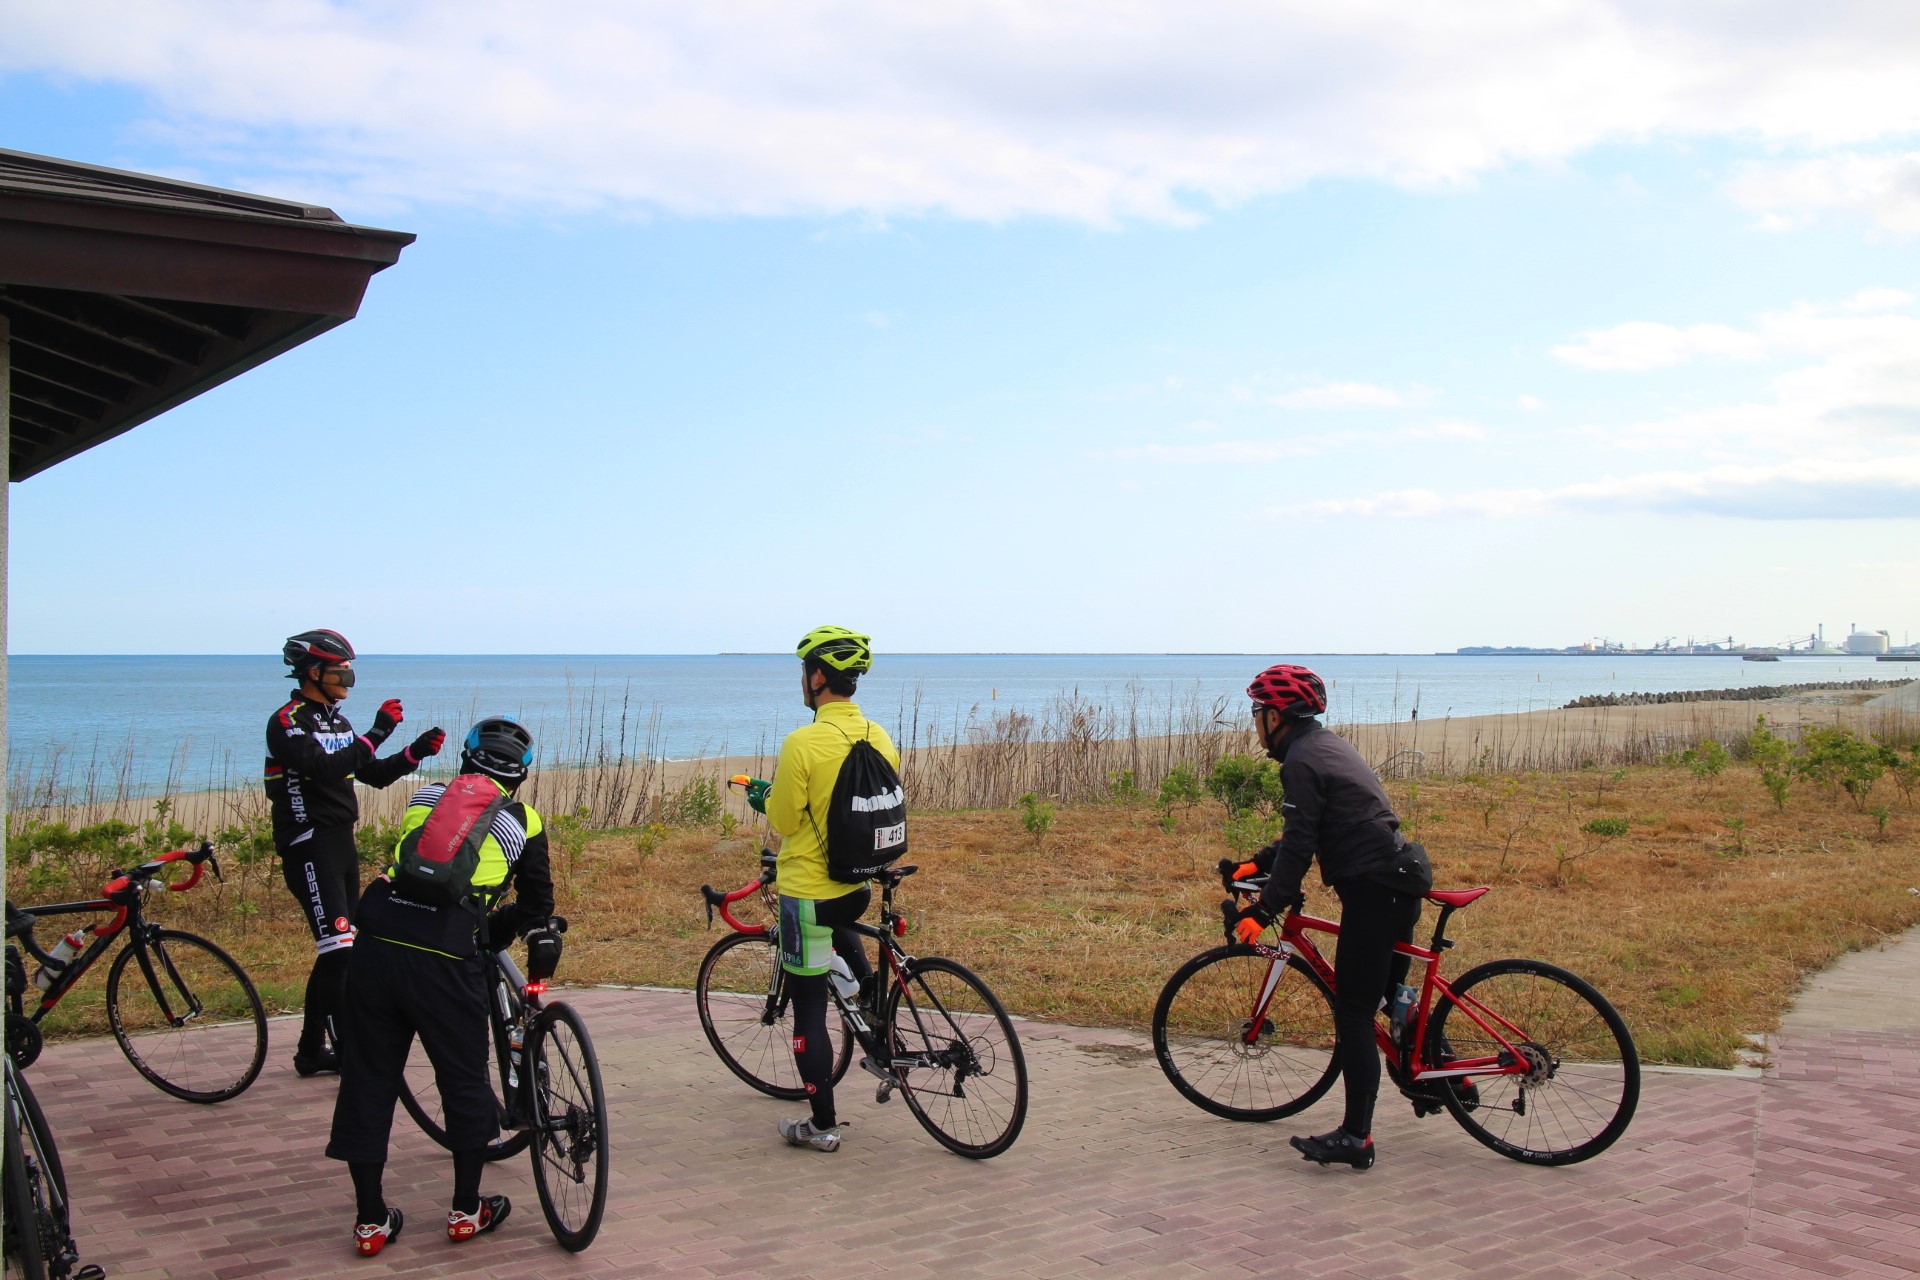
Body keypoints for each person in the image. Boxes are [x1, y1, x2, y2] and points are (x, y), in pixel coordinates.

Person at [325, 716, 559, 1257]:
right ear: (519, 777)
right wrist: (490, 933)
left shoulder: (426, 795)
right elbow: (535, 906)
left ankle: (369, 1222)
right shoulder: (523, 820)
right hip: (448, 960)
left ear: (465, 762)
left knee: (368, 1080)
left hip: (378, 943)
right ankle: (465, 1209)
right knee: (463, 1080)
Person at [1226, 663, 1432, 1171]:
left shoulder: (1300, 760)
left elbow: (1302, 842)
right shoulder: (1325, 744)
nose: (1254, 722)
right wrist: (1261, 862)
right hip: (1398, 876)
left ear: (1276, 715)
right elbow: (1314, 827)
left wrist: (1264, 908)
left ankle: (1356, 1138)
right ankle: (1446, 1075)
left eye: (1256, 712)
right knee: (1386, 995)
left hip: (1374, 889)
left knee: (1353, 1011)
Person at [267, 629, 444, 1077]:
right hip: (308, 843)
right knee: (341, 951)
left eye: (351, 675)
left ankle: (312, 1052)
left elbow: (373, 774)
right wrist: (380, 729)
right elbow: (324, 768)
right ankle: (346, 1052)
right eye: (340, 673)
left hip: (340, 843)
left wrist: (413, 752)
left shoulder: (337, 722)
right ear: (312, 672)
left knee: (338, 949)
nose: (347, 682)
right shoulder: (288, 721)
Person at [765, 626, 899, 1153]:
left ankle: (820, 1126)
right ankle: (869, 995)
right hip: (860, 885)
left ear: (817, 676)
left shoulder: (803, 742)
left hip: (809, 893)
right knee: (844, 927)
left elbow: (784, 819)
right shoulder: (879, 735)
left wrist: (771, 797)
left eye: (804, 672)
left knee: (807, 1013)